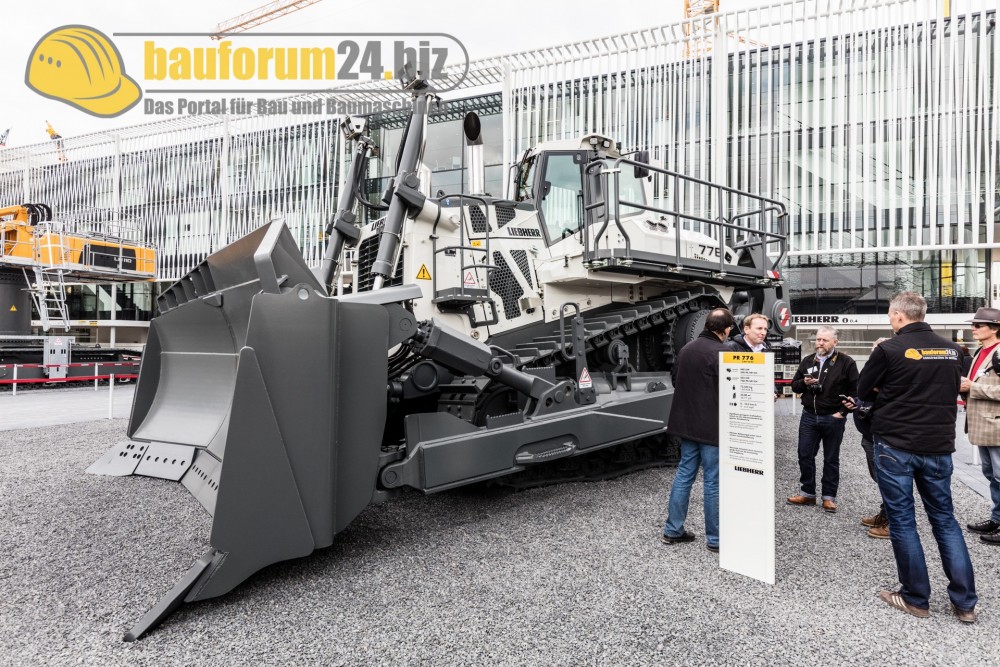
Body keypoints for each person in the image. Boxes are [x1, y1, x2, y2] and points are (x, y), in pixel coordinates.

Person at [858, 291, 977, 622]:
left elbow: (863, 390)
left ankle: (915, 598)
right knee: (945, 520)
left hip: (896, 446)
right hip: (938, 447)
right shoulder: (953, 351)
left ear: (898, 315)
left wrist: (889, 390)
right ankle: (965, 603)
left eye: (889, 315)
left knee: (902, 520)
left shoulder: (888, 349)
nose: (889, 319)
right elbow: (954, 385)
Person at [660, 308, 735, 554]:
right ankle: (715, 539)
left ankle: (673, 530)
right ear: (726, 329)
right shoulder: (724, 352)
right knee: (712, 482)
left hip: (687, 425)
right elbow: (732, 392)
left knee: (684, 475)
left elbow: (676, 380)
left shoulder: (686, 349)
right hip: (712, 427)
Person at [786, 325, 859, 513]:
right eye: (818, 339)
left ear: (835, 342)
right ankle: (808, 493)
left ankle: (828, 497)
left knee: (831, 458)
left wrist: (842, 413)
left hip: (833, 418)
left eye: (824, 340)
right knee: (804, 455)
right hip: (809, 416)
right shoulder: (808, 360)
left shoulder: (847, 363)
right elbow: (794, 386)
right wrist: (804, 383)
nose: (820, 343)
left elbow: (856, 393)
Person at [959, 306, 1000, 545]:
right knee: (992, 475)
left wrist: (972, 387)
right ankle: (997, 518)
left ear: (994, 328)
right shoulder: (980, 352)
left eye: (978, 325)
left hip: (995, 425)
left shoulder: (998, 352)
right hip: (984, 425)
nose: (973, 329)